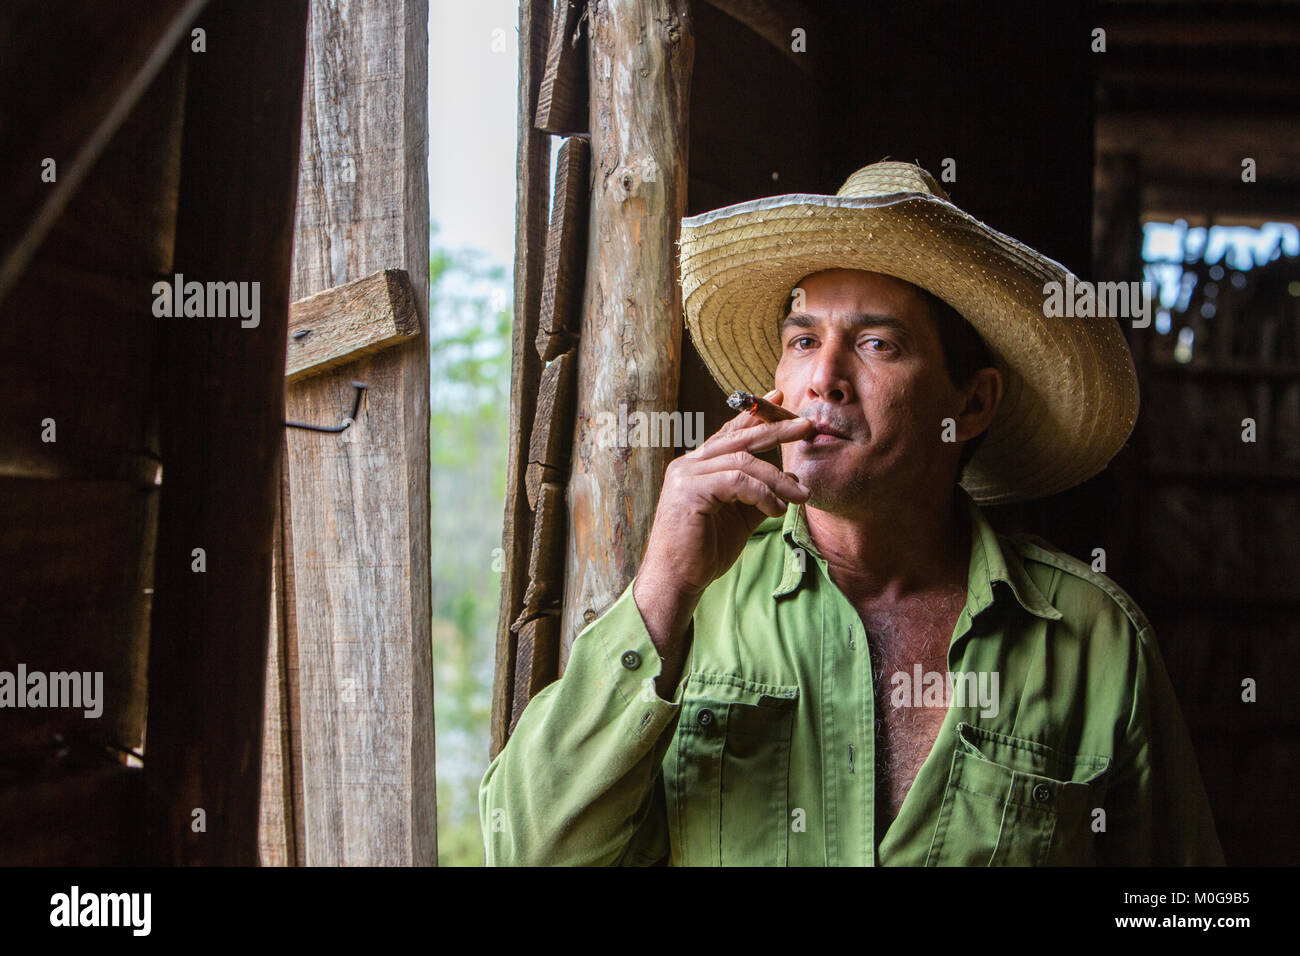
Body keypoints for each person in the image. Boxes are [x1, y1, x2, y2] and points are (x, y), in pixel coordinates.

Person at [480, 161, 1224, 866]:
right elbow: (529, 850)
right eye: (803, 340)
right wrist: (663, 589)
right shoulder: (693, 609)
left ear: (971, 403)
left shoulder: (1093, 640)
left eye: (876, 343)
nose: (823, 379)